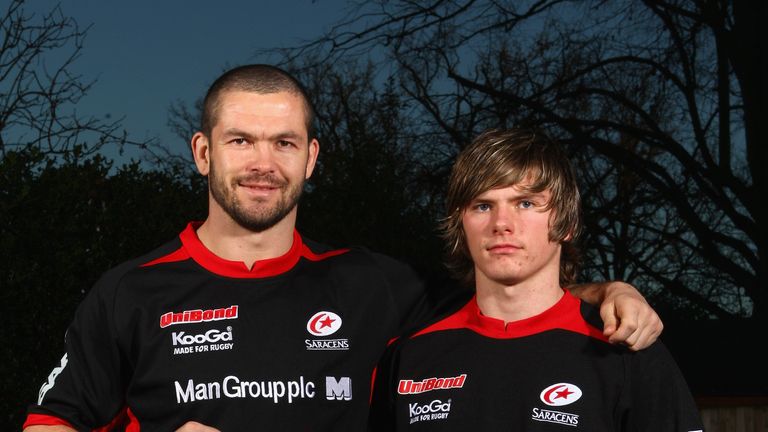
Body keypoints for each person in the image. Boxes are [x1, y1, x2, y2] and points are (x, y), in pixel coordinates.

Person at [23, 66, 662, 432]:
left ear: (312, 158)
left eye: (285, 143)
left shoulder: (375, 285)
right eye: (241, 140)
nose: (263, 164)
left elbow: (510, 292)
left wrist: (606, 291)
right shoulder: (131, 292)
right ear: (202, 152)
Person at [368, 128, 703, 431]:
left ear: (566, 222)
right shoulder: (410, 355)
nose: (502, 223)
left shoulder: (627, 350)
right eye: (483, 206)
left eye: (525, 203)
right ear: (462, 225)